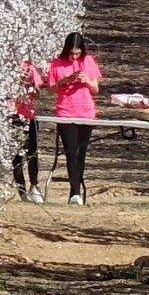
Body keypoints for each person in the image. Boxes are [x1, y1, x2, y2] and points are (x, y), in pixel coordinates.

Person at [45, 32, 102, 205]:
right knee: (71, 151)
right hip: (65, 112)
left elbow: (96, 89)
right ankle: (74, 192)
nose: (75, 57)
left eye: (77, 53)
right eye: (72, 53)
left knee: (81, 152)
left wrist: (86, 81)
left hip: (86, 112)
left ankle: (77, 188)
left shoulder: (88, 61)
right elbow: (50, 90)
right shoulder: (57, 64)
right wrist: (64, 81)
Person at [11, 57, 44, 202]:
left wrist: (31, 89)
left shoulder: (31, 68)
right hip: (13, 114)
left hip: (29, 114)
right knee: (16, 154)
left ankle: (34, 185)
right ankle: (21, 190)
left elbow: (37, 92)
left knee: (32, 152)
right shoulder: (6, 67)